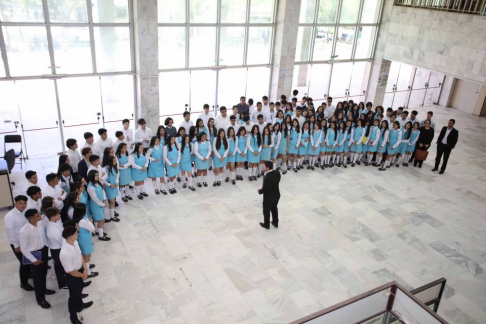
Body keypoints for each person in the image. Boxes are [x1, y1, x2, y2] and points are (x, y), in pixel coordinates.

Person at [19, 208, 55, 308]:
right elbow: (24, 249)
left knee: (44, 272)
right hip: (34, 254)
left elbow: (43, 237)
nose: (40, 216)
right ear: (31, 219)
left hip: (43, 250)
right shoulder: (24, 231)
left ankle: (44, 289)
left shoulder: (39, 224)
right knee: (37, 278)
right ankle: (41, 299)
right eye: (37, 216)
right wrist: (33, 260)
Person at [60, 226, 93, 324]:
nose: (77, 234)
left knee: (79, 290)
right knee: (73, 297)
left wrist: (85, 269)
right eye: (75, 233)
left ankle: (80, 306)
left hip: (80, 271)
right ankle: (73, 317)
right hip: (73, 276)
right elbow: (70, 271)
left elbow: (80, 255)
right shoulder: (64, 253)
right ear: (70, 237)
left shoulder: (75, 242)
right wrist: (82, 275)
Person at [4, 195, 32, 292]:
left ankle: (28, 274)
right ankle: (23, 283)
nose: (23, 205)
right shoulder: (10, 216)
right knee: (23, 263)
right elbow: (10, 232)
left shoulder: (25, 212)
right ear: (15, 203)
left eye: (24, 203)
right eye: (20, 203)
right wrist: (16, 245)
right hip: (18, 243)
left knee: (27, 260)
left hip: (26, 241)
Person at [45, 207, 66, 289]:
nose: (59, 215)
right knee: (60, 267)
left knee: (60, 266)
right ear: (52, 217)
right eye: (58, 214)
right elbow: (60, 240)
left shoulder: (55, 223)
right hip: (57, 249)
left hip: (58, 248)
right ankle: (62, 284)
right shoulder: (53, 229)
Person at [87, 170, 111, 241]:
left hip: (101, 203)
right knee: (101, 220)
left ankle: (98, 231)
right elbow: (95, 199)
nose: (97, 176)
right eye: (95, 175)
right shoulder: (90, 187)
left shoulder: (98, 183)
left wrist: (105, 199)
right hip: (96, 206)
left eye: (97, 175)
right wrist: (103, 204)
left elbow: (102, 191)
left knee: (98, 219)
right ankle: (101, 236)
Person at [258, 161, 281, 230]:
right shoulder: (277, 172)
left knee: (266, 210)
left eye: (264, 166)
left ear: (268, 167)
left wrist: (259, 191)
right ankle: (275, 222)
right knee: (274, 208)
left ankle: (266, 224)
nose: (263, 167)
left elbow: (265, 189)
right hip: (276, 194)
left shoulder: (266, 177)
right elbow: (277, 181)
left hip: (269, 197)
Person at [104, 156, 120, 222]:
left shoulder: (115, 167)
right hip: (109, 187)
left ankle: (112, 212)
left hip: (114, 186)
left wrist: (116, 182)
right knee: (112, 202)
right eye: (113, 161)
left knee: (113, 201)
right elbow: (103, 180)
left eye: (115, 160)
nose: (115, 162)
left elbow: (117, 175)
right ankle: (112, 216)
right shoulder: (105, 169)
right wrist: (109, 184)